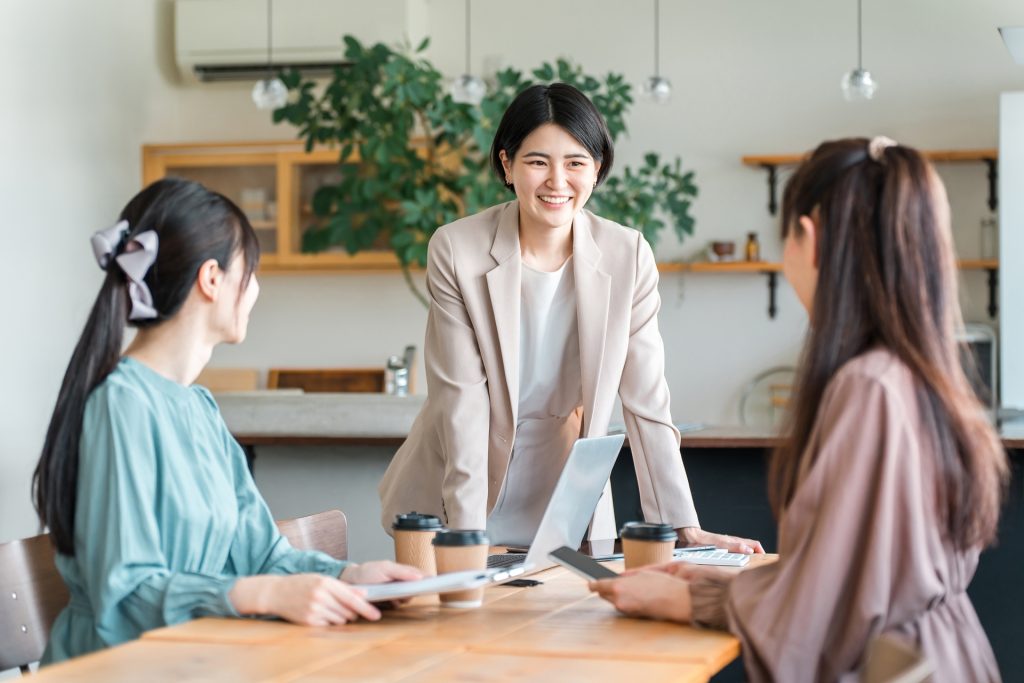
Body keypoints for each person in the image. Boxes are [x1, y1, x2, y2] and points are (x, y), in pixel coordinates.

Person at [590, 137, 1008, 682]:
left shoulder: (867, 388)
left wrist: (679, 602)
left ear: (807, 239)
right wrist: (718, 588)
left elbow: (821, 617)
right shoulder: (917, 373)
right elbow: (847, 585)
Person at [33, 178, 421, 664]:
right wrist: (260, 596)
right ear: (211, 278)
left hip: (195, 661)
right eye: (251, 271)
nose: (256, 289)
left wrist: (347, 578)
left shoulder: (199, 409)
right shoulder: (122, 404)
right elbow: (127, 594)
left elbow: (262, 555)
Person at [378, 83, 762, 553]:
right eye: (538, 162)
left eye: (576, 163)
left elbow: (647, 404)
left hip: (566, 505)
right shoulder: (458, 249)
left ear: (597, 169)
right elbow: (462, 406)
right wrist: (466, 538)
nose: (557, 182)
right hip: (455, 498)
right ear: (507, 164)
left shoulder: (628, 256)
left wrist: (684, 526)